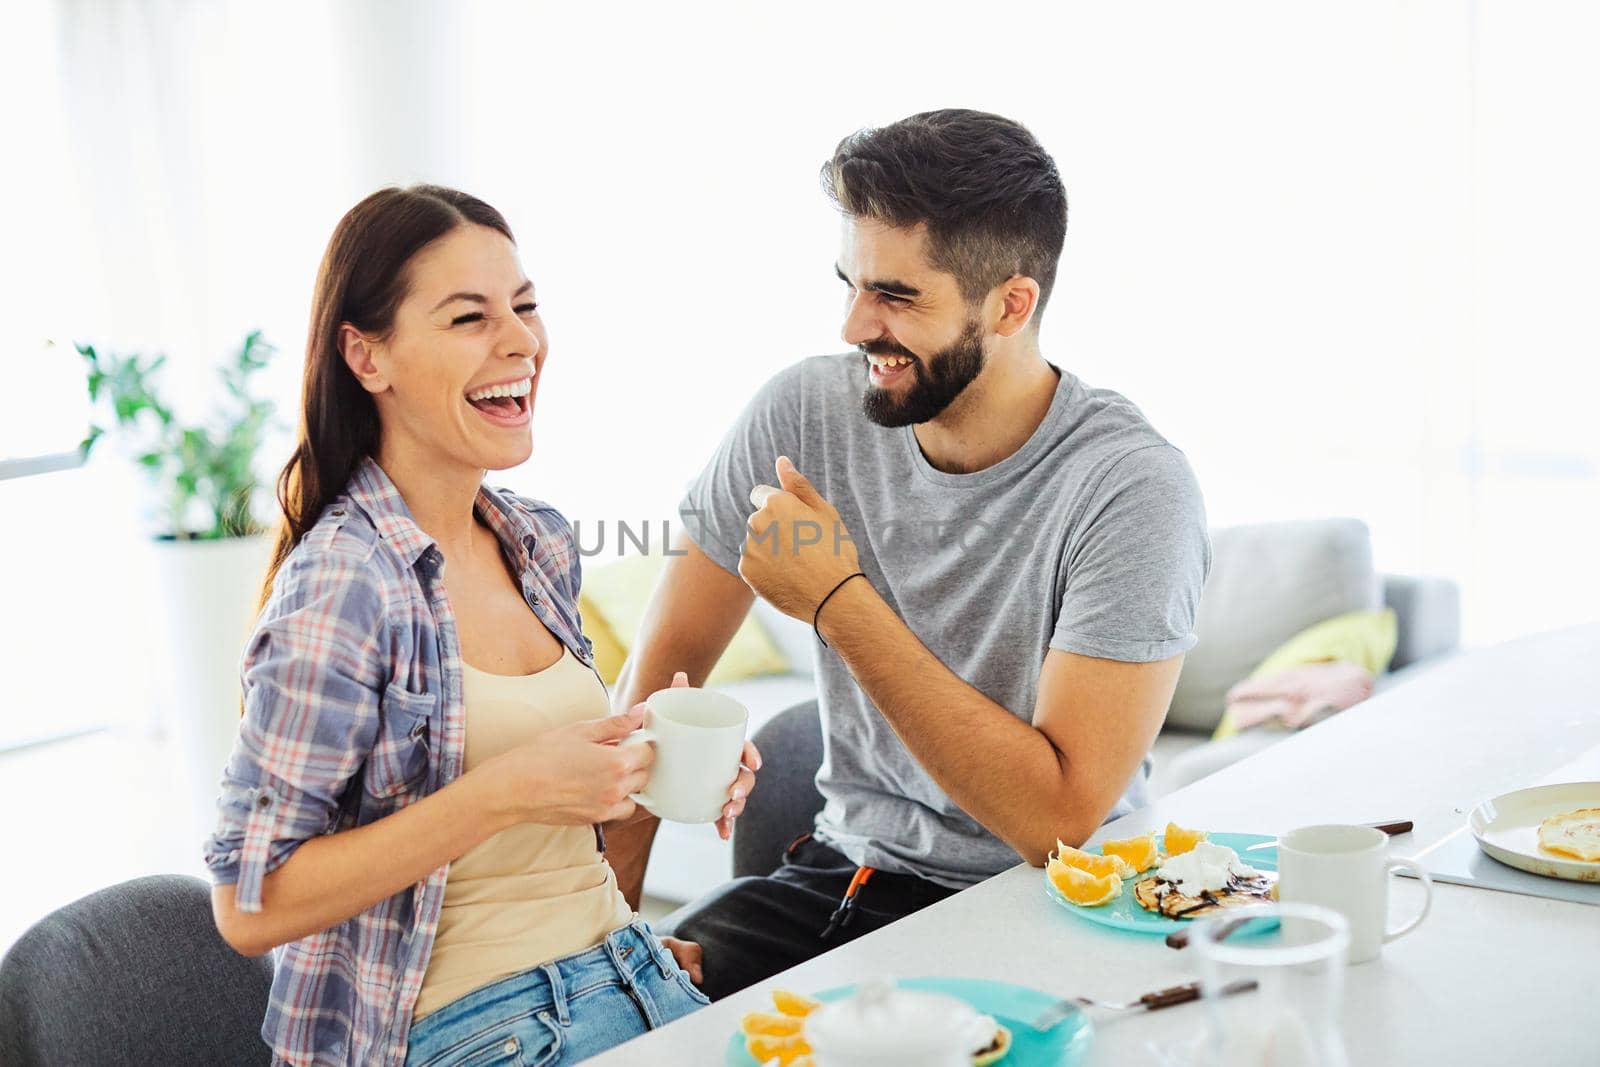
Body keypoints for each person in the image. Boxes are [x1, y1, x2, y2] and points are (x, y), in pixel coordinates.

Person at [607, 109, 1211, 1000]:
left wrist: (838, 602)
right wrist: (605, 946)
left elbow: (1055, 820)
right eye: (850, 282)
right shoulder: (802, 416)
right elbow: (655, 698)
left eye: (896, 295)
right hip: (845, 877)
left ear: (1011, 304)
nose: (855, 324)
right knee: (623, 1019)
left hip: (1046, 905)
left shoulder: (1132, 489)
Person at [203, 185, 758, 1066]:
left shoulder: (533, 538)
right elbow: (249, 901)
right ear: (366, 355)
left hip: (629, 970)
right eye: (469, 317)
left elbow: (545, 816)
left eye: (526, 307)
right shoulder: (344, 584)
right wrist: (508, 790)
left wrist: (650, 761)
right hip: (471, 1027)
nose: (522, 341)